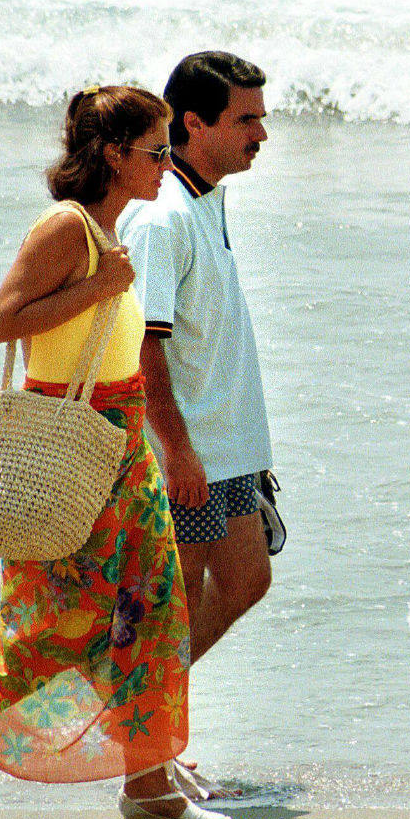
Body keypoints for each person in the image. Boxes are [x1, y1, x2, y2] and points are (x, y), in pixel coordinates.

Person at [0, 85, 231, 819]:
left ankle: (149, 790)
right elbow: (2, 322)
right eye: (154, 151)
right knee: (62, 619)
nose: (166, 164)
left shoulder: (114, 230)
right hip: (70, 443)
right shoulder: (68, 228)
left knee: (152, 610)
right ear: (113, 154)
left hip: (122, 444)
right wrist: (99, 285)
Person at [118, 52, 274, 673]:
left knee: (244, 581)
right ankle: (148, 754)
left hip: (226, 446)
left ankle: (149, 732)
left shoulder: (206, 198)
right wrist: (176, 450)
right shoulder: (162, 218)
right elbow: (141, 344)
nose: (261, 134)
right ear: (195, 123)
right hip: (185, 452)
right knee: (159, 613)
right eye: (246, 120)